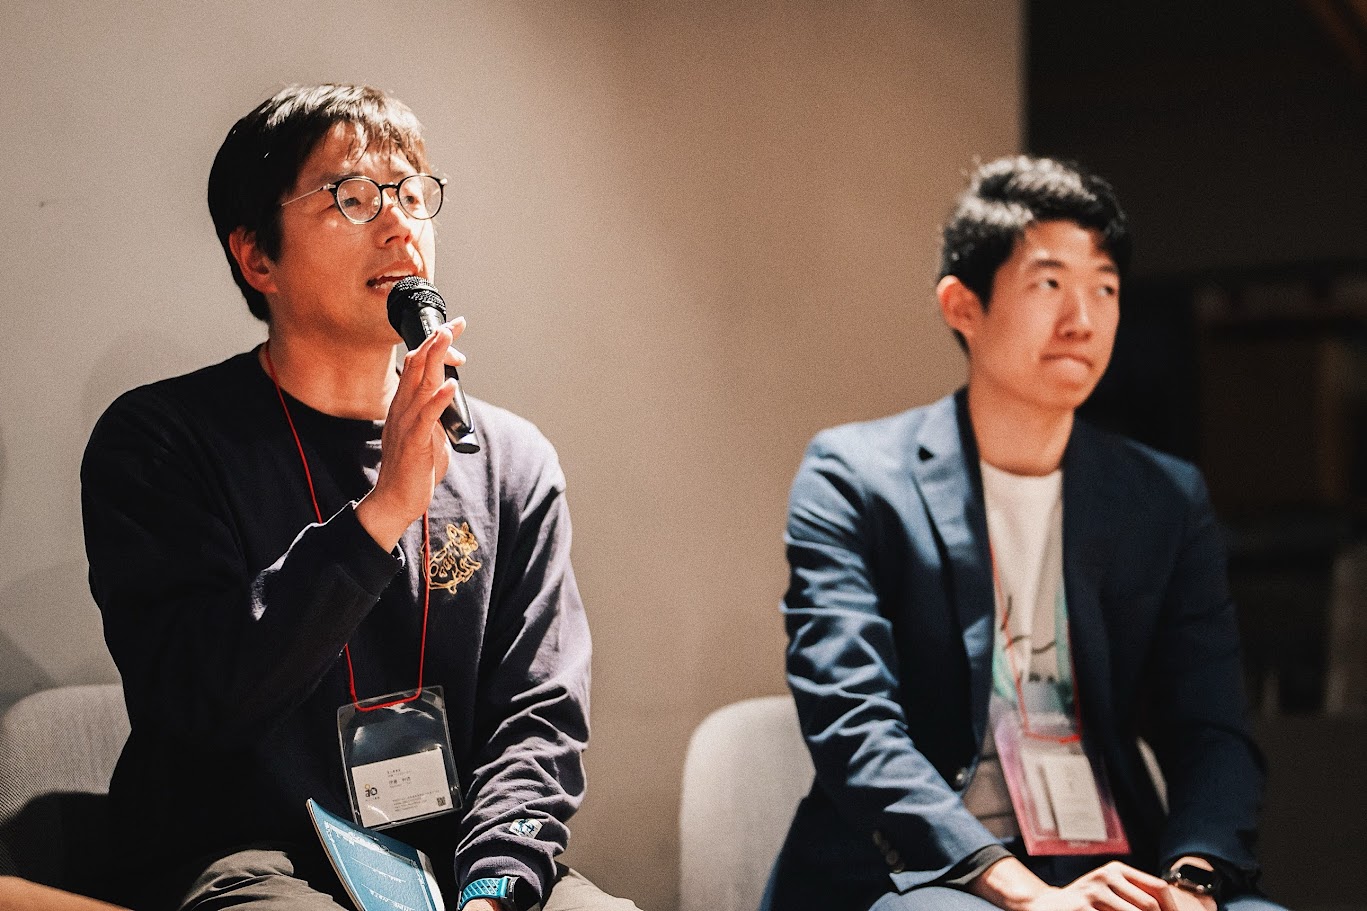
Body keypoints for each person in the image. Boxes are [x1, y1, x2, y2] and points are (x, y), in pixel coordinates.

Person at [82, 84, 639, 911]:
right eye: (352, 197)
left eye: (412, 195)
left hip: (458, 860)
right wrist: (380, 515)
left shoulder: (510, 460)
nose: (398, 225)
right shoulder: (161, 442)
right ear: (256, 257)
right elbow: (198, 704)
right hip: (250, 856)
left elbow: (536, 718)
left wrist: (492, 890)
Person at [762, 157, 1283, 911]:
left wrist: (1192, 881)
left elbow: (1211, 729)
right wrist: (1027, 895)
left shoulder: (1162, 497)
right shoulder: (855, 477)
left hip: (1115, 863)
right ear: (962, 306)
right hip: (928, 872)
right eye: (1048, 285)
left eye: (1104, 288)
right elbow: (851, 720)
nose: (1082, 319)